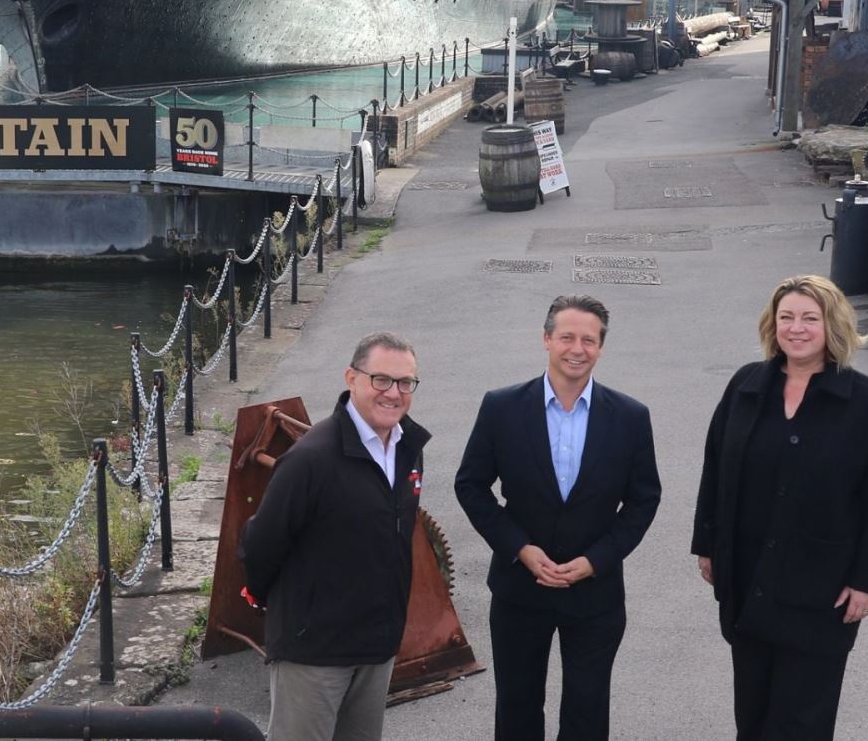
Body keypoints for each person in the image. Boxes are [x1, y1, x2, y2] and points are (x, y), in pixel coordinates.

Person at [691, 275, 868, 741]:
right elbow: (716, 469)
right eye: (786, 317)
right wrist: (708, 545)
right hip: (748, 580)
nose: (797, 328)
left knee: (802, 721)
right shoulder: (746, 386)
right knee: (752, 713)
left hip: (820, 591)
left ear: (833, 325)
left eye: (811, 318)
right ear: (773, 325)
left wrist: (867, 581)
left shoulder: (864, 402)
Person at [455, 295, 661, 741]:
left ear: (601, 348)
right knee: (518, 706)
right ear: (547, 339)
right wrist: (519, 549)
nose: (577, 348)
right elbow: (470, 485)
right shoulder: (501, 407)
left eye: (589, 339)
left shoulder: (630, 417)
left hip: (595, 594)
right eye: (567, 337)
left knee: (588, 711)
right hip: (518, 590)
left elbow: (644, 500)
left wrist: (596, 560)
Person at [237, 331, 430, 741]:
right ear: (352, 378)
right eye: (381, 379)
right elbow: (260, 543)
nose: (393, 393)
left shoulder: (408, 448)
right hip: (315, 652)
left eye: (405, 382)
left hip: (377, 646)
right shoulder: (310, 460)